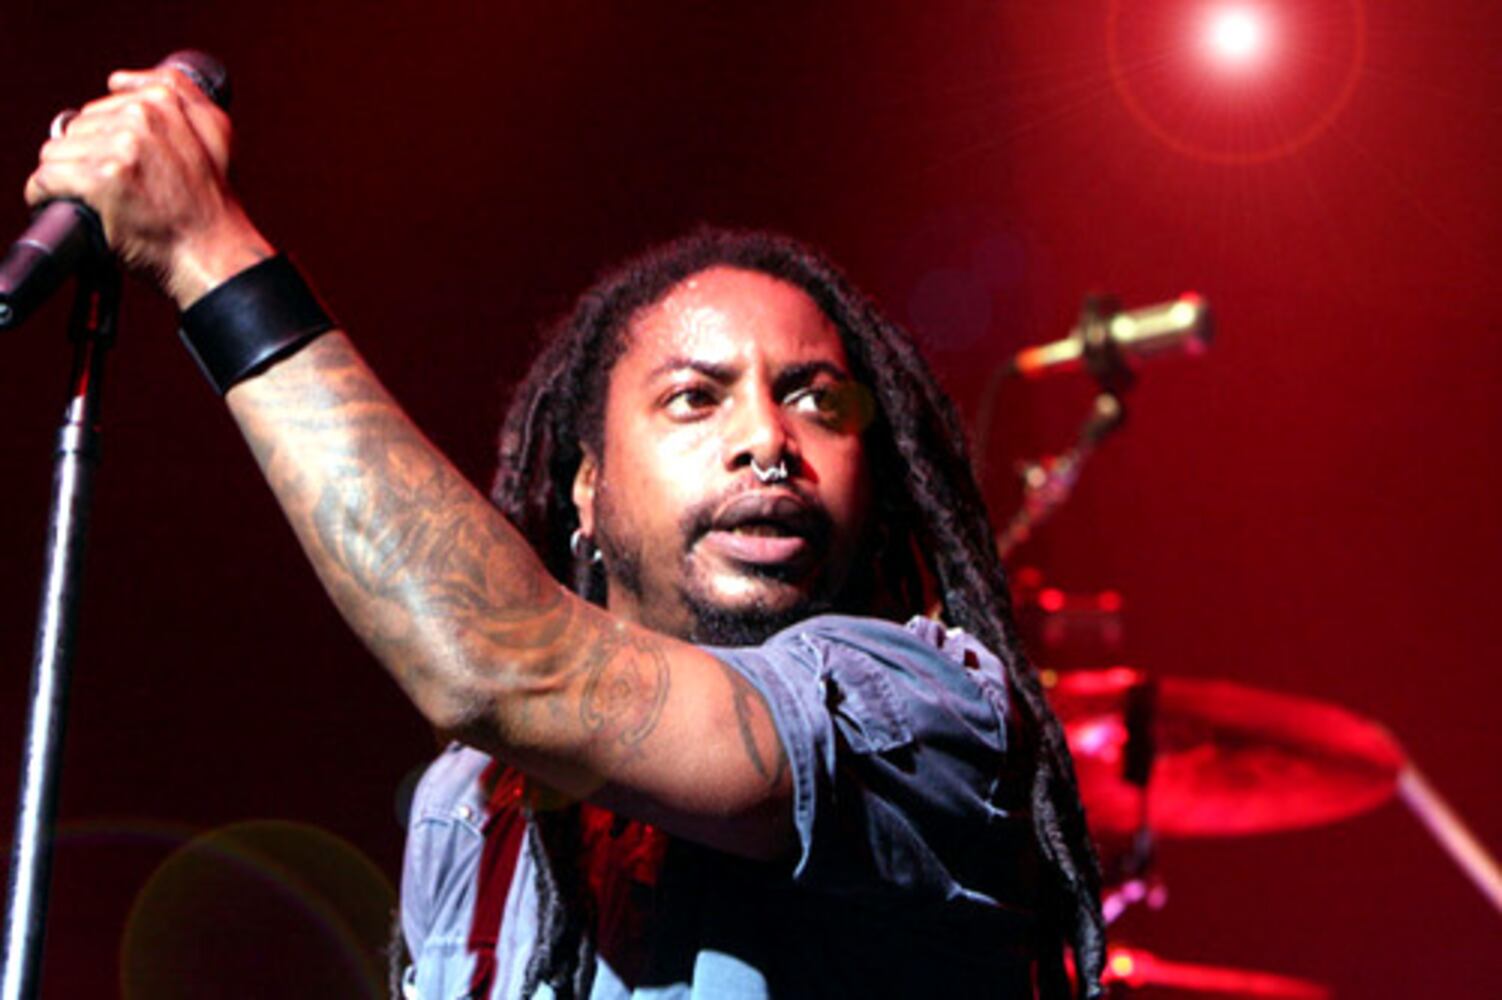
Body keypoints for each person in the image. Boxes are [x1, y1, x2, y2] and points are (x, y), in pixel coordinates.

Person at [25, 65, 1105, 997]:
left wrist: (207, 249)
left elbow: (505, 664)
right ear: (587, 488)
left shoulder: (928, 716)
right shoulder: (471, 804)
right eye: (695, 397)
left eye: (817, 400)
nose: (767, 439)